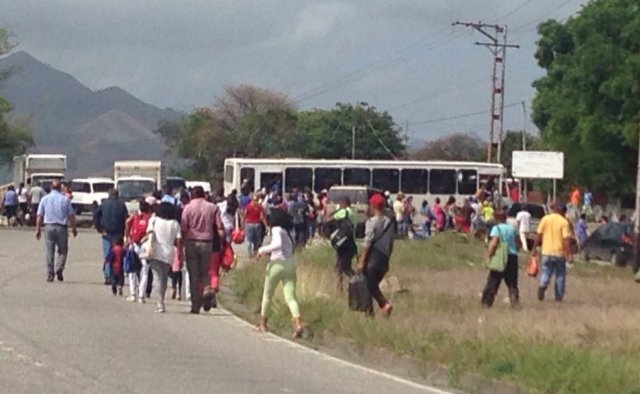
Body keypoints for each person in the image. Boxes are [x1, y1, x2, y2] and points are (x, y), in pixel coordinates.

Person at [255, 207, 303, 338]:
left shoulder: (276, 229)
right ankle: (297, 323)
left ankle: (263, 323)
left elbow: (277, 245)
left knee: (267, 295)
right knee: (290, 297)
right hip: (289, 264)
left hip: (276, 264)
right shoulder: (289, 231)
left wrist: (262, 250)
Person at [181, 186, 224, 314]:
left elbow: (184, 228)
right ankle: (206, 290)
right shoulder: (213, 207)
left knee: (193, 274)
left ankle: (195, 305)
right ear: (204, 195)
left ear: (192, 195)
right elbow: (220, 227)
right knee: (206, 272)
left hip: (191, 242)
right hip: (207, 243)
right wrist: (221, 242)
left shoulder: (187, 208)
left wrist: (182, 245)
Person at [357, 194, 395, 317]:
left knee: (368, 286)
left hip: (372, 260)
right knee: (372, 286)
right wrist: (387, 259)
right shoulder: (389, 223)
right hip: (384, 259)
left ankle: (380, 307)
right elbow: (391, 243)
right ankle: (377, 309)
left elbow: (367, 242)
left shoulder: (371, 222)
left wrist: (361, 261)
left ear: (372, 206)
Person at [35, 180, 78, 282]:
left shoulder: (45, 199)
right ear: (60, 188)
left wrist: (38, 229)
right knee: (63, 250)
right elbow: (71, 216)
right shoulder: (65, 199)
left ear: (51, 187)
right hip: (61, 227)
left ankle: (50, 274)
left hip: (48, 226)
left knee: (49, 251)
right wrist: (74, 228)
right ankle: (59, 268)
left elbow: (39, 215)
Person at [532, 204, 573, 302]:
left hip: (546, 251)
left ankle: (542, 285)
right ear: (564, 212)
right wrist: (569, 254)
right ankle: (558, 297)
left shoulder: (545, 219)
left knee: (546, 272)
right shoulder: (564, 222)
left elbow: (538, 235)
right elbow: (566, 240)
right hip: (559, 253)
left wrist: (534, 248)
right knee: (560, 275)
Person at [146, 202, 182, 313]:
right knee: (164, 277)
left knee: (157, 276)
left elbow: (149, 234)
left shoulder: (154, 220)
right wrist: (179, 253)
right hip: (169, 253)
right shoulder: (175, 223)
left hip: (155, 251)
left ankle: (160, 302)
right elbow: (179, 240)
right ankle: (161, 299)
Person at [481, 211, 521, 308]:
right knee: (512, 283)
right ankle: (514, 302)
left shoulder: (496, 228)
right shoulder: (512, 229)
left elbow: (494, 243)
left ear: (496, 219)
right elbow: (518, 243)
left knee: (493, 281)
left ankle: (487, 302)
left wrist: (489, 256)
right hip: (512, 257)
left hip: (500, 257)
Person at [94, 189, 129, 284]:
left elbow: (96, 216)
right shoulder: (122, 205)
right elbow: (126, 219)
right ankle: (118, 275)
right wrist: (126, 232)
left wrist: (100, 229)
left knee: (108, 254)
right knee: (119, 255)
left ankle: (108, 275)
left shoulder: (104, 204)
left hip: (106, 232)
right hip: (118, 233)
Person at [124, 199, 152, 303]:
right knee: (144, 271)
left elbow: (127, 222)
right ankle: (141, 296)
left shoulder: (135, 216)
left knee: (132, 270)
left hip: (134, 244)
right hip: (144, 245)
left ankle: (132, 294)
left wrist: (127, 236)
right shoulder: (149, 218)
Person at [332, 197, 357, 291]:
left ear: (344, 203)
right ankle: (354, 282)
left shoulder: (344, 212)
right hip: (351, 242)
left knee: (338, 266)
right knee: (347, 266)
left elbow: (331, 217)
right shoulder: (354, 213)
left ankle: (339, 287)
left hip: (342, 243)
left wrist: (338, 209)